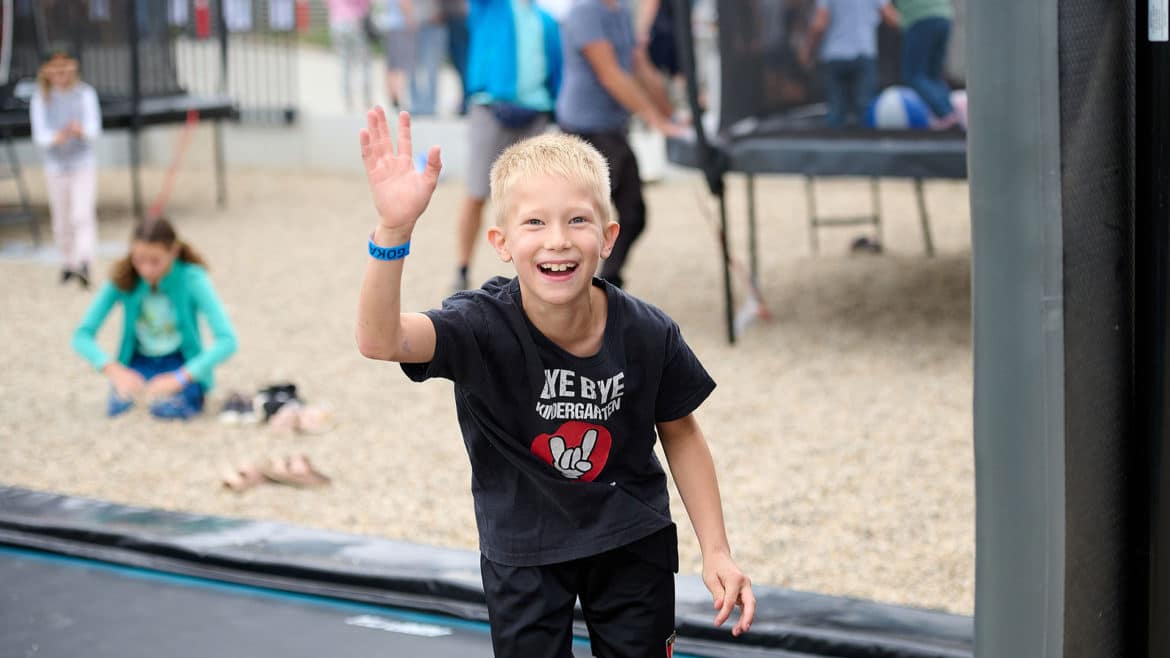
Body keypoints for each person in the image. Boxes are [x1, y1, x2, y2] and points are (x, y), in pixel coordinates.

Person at [356, 108, 755, 657]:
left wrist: (717, 550)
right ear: (500, 241)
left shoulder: (646, 331)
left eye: (577, 221)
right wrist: (394, 231)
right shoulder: (480, 324)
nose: (558, 241)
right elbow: (382, 340)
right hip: (523, 545)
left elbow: (681, 432)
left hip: (630, 535)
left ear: (609, 237)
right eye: (535, 223)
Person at [556, 0, 683, 291]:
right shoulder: (585, 10)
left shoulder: (623, 9)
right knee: (581, 217)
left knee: (633, 214)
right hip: (584, 130)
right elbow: (610, 74)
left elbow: (638, 64)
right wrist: (656, 119)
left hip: (613, 128)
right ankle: (576, 285)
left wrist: (669, 114)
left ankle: (606, 281)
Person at [72, 218, 238, 420]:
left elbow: (227, 340)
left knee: (170, 410)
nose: (146, 270)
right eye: (139, 259)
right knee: (120, 407)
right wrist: (115, 370)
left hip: (181, 363)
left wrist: (181, 377)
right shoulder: (125, 278)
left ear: (173, 252)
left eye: (155, 261)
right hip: (139, 363)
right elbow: (82, 336)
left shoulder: (192, 278)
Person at [451, 0, 562, 292]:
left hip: (535, 112)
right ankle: (462, 267)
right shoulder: (493, 6)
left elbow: (555, 67)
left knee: (536, 200)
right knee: (476, 192)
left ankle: (537, 271)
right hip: (491, 108)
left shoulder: (546, 20)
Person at [29, 51, 102, 289]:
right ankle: (68, 262)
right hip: (56, 165)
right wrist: (56, 137)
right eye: (55, 69)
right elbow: (40, 136)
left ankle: (84, 261)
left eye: (65, 68)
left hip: (82, 162)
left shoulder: (85, 94)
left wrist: (80, 131)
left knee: (82, 214)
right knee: (61, 218)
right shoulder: (40, 98)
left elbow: (94, 129)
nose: (60, 74)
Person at [800, 0, 899, 128]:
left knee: (836, 110)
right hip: (864, 53)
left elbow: (819, 24)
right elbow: (891, 17)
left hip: (835, 56)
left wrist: (808, 50)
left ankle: (833, 145)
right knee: (865, 109)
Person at [896, 0, 960, 128]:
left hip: (919, 18)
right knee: (934, 76)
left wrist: (903, 23)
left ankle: (946, 114)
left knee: (914, 76)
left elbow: (883, 8)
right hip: (944, 16)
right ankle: (951, 115)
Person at [325, 0, 373, 112]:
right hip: (355, 22)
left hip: (336, 23)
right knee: (364, 63)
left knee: (344, 64)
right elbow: (366, 5)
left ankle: (347, 99)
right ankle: (365, 98)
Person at [381, 0, 414, 110]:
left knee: (391, 65)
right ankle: (399, 97)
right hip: (400, 26)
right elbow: (405, 3)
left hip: (388, 24)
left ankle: (392, 97)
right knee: (401, 64)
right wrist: (411, 21)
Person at [439, 0, 470, 115]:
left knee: (462, 62)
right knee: (463, 62)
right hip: (460, 16)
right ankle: (466, 101)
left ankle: (467, 102)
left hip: (457, 16)